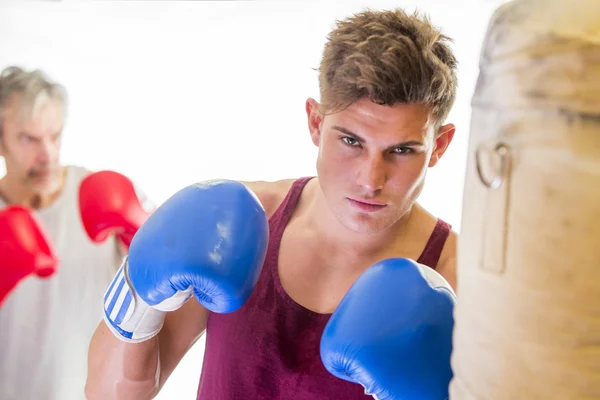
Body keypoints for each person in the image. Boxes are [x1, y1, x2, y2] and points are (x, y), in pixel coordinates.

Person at [86, 8, 459, 400]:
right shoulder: (239, 227)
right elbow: (109, 395)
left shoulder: (462, 283)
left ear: (439, 146)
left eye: (401, 150)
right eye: (351, 141)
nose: (370, 179)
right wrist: (136, 292)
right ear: (316, 123)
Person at [0, 66, 153, 400]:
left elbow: (175, 288)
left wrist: (143, 236)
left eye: (55, 136)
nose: (47, 155)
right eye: (29, 139)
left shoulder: (105, 193)